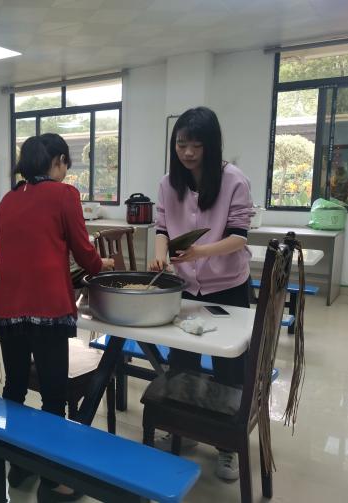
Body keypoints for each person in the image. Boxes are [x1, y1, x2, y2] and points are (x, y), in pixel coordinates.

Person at [0, 134, 114, 501]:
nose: (65, 172)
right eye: (65, 165)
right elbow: (84, 251)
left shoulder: (9, 198)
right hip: (47, 306)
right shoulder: (65, 195)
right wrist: (103, 263)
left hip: (7, 307)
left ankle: (17, 466)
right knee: (53, 394)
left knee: (14, 387)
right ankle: (53, 479)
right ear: (58, 160)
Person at [149, 106, 253, 481]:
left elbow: (239, 237)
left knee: (229, 367)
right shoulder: (168, 183)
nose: (188, 152)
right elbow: (162, 228)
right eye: (181, 144)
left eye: (196, 145)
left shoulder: (234, 180)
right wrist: (160, 256)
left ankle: (228, 446)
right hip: (186, 287)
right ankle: (183, 430)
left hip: (228, 286)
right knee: (182, 361)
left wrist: (199, 253)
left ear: (211, 145)